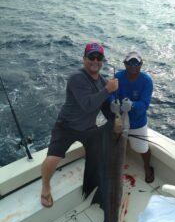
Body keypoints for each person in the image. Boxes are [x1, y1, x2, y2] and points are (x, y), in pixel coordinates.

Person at [41, 42, 118, 207]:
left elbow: (104, 106)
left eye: (99, 57)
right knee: (53, 158)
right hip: (66, 127)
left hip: (87, 128)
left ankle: (95, 178)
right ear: (84, 59)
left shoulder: (102, 81)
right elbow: (88, 105)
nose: (95, 61)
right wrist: (108, 90)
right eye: (91, 57)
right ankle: (45, 187)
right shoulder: (77, 78)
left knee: (100, 151)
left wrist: (115, 118)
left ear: (102, 60)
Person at [110, 51, 154, 183]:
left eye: (136, 62)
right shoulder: (118, 76)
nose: (133, 65)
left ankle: (147, 167)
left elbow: (145, 104)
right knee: (113, 146)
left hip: (137, 122)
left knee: (142, 149)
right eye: (130, 62)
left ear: (141, 64)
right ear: (125, 64)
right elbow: (110, 93)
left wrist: (133, 105)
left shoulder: (147, 81)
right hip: (120, 119)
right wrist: (112, 102)